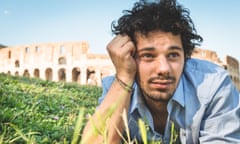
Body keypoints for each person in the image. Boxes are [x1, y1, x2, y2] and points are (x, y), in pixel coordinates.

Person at [82, 0, 240, 143]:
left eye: (173, 55)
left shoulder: (213, 84)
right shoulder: (116, 88)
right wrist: (123, 78)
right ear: (129, 57)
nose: (163, 68)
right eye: (148, 56)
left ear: (185, 57)